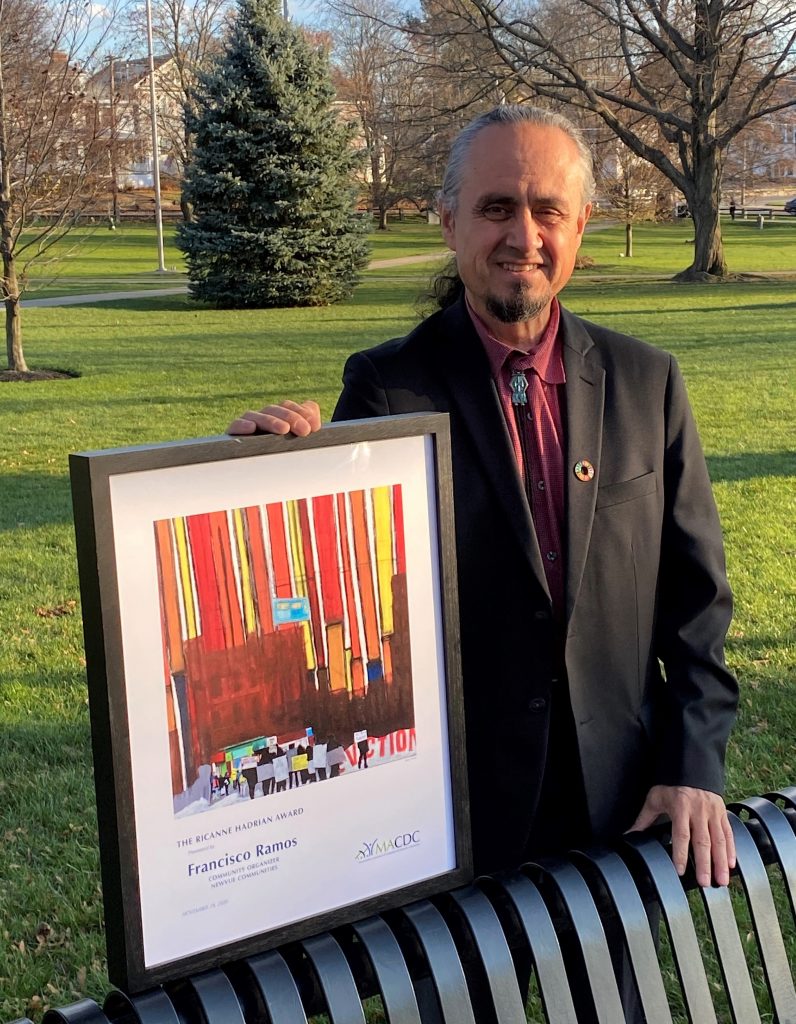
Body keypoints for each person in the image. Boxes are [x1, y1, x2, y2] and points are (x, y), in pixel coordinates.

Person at [228, 105, 738, 891]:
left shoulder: (648, 381)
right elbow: (341, 589)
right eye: (496, 208)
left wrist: (694, 764)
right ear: (448, 222)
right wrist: (269, 471)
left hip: (617, 802)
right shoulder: (387, 386)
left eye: (547, 211)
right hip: (454, 811)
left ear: (582, 225)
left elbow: (696, 603)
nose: (522, 236)